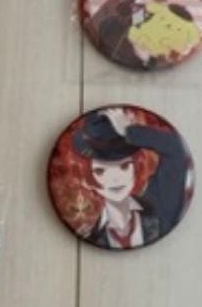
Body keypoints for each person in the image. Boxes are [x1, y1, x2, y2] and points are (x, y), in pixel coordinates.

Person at [62, 107, 191, 249]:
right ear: (87, 180)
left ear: (136, 168)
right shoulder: (91, 236)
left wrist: (131, 132)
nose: (115, 179)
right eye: (100, 171)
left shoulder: (160, 203)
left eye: (124, 166)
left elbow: (177, 149)